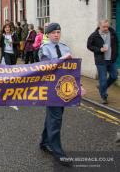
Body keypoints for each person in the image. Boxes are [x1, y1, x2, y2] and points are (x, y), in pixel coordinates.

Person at [38, 23, 82, 167]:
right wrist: (63, 58)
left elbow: (71, 70)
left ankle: (44, 142)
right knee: (55, 119)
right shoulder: (44, 48)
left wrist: (78, 86)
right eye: (53, 33)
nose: (56, 35)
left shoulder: (64, 47)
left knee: (53, 116)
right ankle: (58, 153)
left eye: (58, 32)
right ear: (48, 34)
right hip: (50, 89)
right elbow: (46, 67)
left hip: (63, 89)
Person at [87, 19, 118, 104]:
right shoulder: (94, 35)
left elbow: (116, 44)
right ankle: (104, 96)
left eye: (107, 26)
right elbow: (89, 46)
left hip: (111, 60)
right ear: (99, 26)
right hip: (101, 61)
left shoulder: (112, 33)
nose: (106, 28)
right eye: (104, 27)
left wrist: (115, 54)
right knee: (103, 79)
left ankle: (101, 87)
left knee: (114, 76)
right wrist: (99, 49)